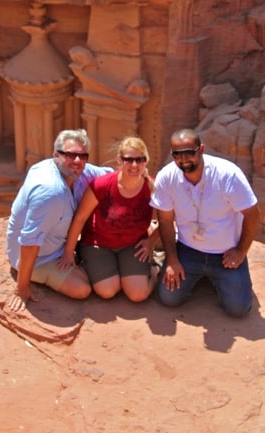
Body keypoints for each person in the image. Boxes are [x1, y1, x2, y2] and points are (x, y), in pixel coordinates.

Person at [150, 128, 260, 317]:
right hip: (188, 249)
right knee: (169, 298)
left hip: (225, 253)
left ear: (201, 149)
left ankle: (221, 277)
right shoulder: (167, 177)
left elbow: (252, 214)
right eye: (177, 154)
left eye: (189, 152)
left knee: (238, 309)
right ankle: (195, 273)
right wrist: (173, 260)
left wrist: (240, 251)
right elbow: (166, 220)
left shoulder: (228, 175)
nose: (184, 159)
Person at [6, 129, 112, 311]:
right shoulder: (50, 192)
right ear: (56, 155)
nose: (77, 161)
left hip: (58, 244)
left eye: (82, 156)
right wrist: (21, 288)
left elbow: (111, 176)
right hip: (40, 258)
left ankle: (80, 256)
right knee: (82, 289)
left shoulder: (77, 172)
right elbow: (30, 243)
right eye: (71, 155)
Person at [58, 136, 160, 302]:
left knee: (138, 295)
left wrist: (151, 241)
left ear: (146, 161)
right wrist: (68, 253)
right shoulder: (102, 185)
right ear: (119, 161)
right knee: (107, 291)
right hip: (98, 244)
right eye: (129, 160)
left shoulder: (152, 187)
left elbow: (169, 218)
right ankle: (105, 268)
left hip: (132, 245)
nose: (134, 165)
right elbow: (80, 219)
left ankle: (154, 271)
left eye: (139, 159)